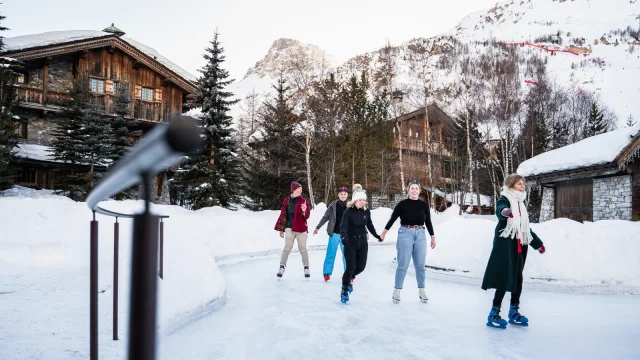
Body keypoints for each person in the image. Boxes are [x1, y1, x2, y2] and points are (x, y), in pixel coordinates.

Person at [482, 174, 546, 328]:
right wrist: (504, 212)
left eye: (523, 183)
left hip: (520, 246)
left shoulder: (521, 203)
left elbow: (525, 229)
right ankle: (494, 313)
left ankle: (513, 311)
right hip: (506, 245)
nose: (522, 186)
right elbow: (500, 209)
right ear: (511, 185)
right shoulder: (505, 198)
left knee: (517, 279)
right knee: (505, 278)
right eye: (519, 183)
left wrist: (537, 244)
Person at [380, 180, 435, 303]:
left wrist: (432, 236)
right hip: (405, 233)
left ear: (419, 191)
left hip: (420, 234)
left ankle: (422, 290)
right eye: (412, 188)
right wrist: (384, 232)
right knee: (403, 264)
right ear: (408, 190)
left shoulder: (424, 205)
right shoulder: (402, 204)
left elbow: (429, 222)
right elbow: (392, 219)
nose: (414, 190)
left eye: (416, 188)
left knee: (420, 265)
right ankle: (397, 291)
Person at [339, 184, 381, 303]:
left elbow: (370, 225)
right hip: (350, 243)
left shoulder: (366, 212)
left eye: (364, 200)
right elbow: (343, 226)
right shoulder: (348, 212)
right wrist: (343, 237)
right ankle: (345, 290)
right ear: (355, 200)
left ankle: (350, 278)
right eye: (360, 200)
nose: (363, 202)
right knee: (350, 267)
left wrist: (377, 235)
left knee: (361, 267)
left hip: (362, 242)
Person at [274, 181, 311, 278]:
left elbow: (306, 216)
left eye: (301, 189)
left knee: (303, 249)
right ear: (293, 189)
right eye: (298, 189)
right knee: (287, 248)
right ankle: (281, 268)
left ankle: (306, 268)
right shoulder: (287, 201)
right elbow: (283, 214)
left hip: (301, 229)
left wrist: (304, 211)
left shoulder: (304, 201)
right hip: (289, 228)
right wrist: (281, 228)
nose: (300, 191)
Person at [313, 186, 349, 281]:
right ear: (338, 195)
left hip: (346, 235)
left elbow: (357, 219)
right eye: (341, 194)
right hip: (334, 234)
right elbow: (325, 217)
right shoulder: (333, 205)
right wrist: (318, 227)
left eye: (345, 194)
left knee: (347, 255)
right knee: (330, 254)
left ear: (347, 195)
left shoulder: (351, 206)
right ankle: (327, 273)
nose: (343, 195)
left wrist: (364, 231)